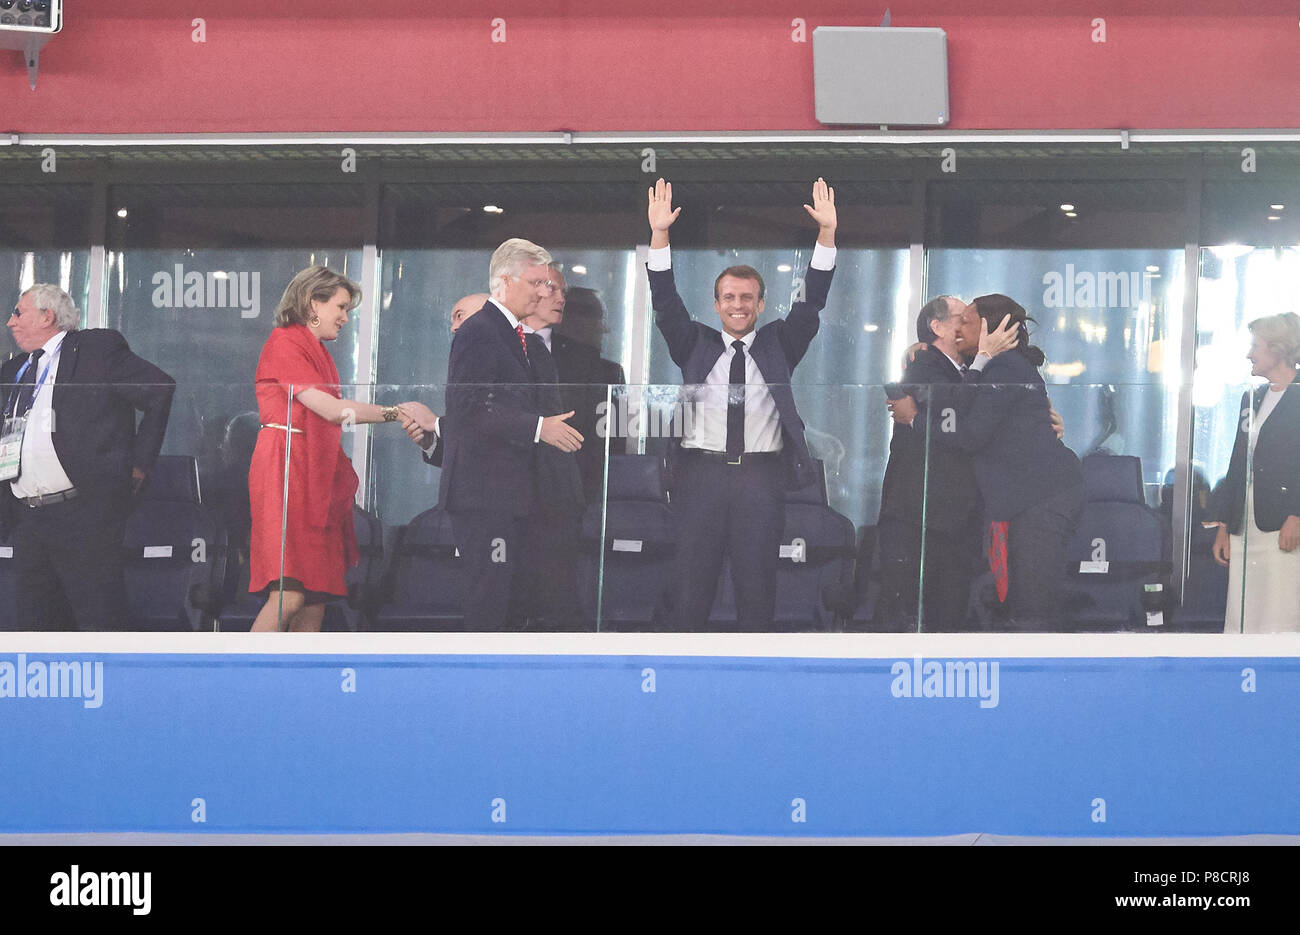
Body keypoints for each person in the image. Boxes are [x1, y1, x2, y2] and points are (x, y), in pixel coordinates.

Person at [647, 177, 836, 630]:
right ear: (715, 305)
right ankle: (681, 678)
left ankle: (758, 680)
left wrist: (826, 236)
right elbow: (666, 302)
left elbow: (810, 305)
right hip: (701, 476)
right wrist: (659, 236)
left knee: (757, 587)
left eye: (747, 298)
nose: (738, 305)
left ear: (761, 304)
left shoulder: (779, 344)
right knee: (692, 587)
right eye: (729, 298)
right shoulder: (693, 343)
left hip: (760, 477)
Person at [247, 266, 434, 632]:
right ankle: (243, 680)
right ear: (313, 302)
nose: (345, 318)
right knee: (291, 595)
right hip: (288, 468)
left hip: (314, 471)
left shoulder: (317, 351)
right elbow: (332, 411)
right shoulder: (286, 341)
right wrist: (395, 413)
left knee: (315, 600)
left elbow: (333, 416)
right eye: (341, 307)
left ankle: (301, 688)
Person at [408, 239, 583, 630]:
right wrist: (539, 427)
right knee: (489, 601)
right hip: (484, 499)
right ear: (504, 281)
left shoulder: (518, 337)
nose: (543, 291)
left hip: (517, 499)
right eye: (535, 281)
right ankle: (477, 687)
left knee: (512, 602)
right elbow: (470, 410)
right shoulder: (479, 331)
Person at [0, 283, 175, 630]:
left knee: (99, 622)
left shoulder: (95, 350)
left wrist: (139, 464)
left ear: (47, 316)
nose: (10, 323)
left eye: (19, 313)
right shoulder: (14, 370)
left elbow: (159, 389)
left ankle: (112, 686)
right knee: (34, 626)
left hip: (83, 514)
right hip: (28, 518)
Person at [941, 293, 1084, 631]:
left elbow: (969, 433)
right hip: (1033, 497)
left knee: (1034, 602)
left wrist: (981, 361)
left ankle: (1039, 680)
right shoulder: (1005, 367)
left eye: (967, 321)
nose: (958, 327)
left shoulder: (1003, 366)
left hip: (1042, 497)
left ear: (993, 329)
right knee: (1028, 598)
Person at [876, 296, 986, 631]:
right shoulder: (924, 366)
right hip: (919, 515)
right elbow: (956, 415)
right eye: (960, 317)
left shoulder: (964, 369)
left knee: (950, 610)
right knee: (910, 612)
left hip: (953, 518)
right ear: (937, 327)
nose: (969, 324)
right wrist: (982, 358)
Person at [1210, 312, 1300, 633]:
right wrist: (1225, 523)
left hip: (1283, 526)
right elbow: (1237, 463)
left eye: (1255, 346)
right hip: (1245, 524)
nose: (1249, 354)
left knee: (1280, 612)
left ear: (1278, 350)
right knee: (1243, 615)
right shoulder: (1251, 397)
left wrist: (1297, 514)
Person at [517, 266, 586, 628]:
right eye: (552, 290)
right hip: (511, 489)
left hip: (561, 491)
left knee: (560, 594)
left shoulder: (584, 359)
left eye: (563, 292)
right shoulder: (497, 342)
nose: (561, 299)